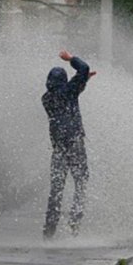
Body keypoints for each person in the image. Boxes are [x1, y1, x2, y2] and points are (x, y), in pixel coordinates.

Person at [42, 50, 96, 239]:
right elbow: (84, 68)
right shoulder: (68, 91)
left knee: (56, 189)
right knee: (81, 183)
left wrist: (82, 82)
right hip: (74, 144)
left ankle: (49, 231)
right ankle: (74, 223)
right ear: (64, 81)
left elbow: (72, 92)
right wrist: (71, 59)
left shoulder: (46, 98)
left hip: (58, 149)